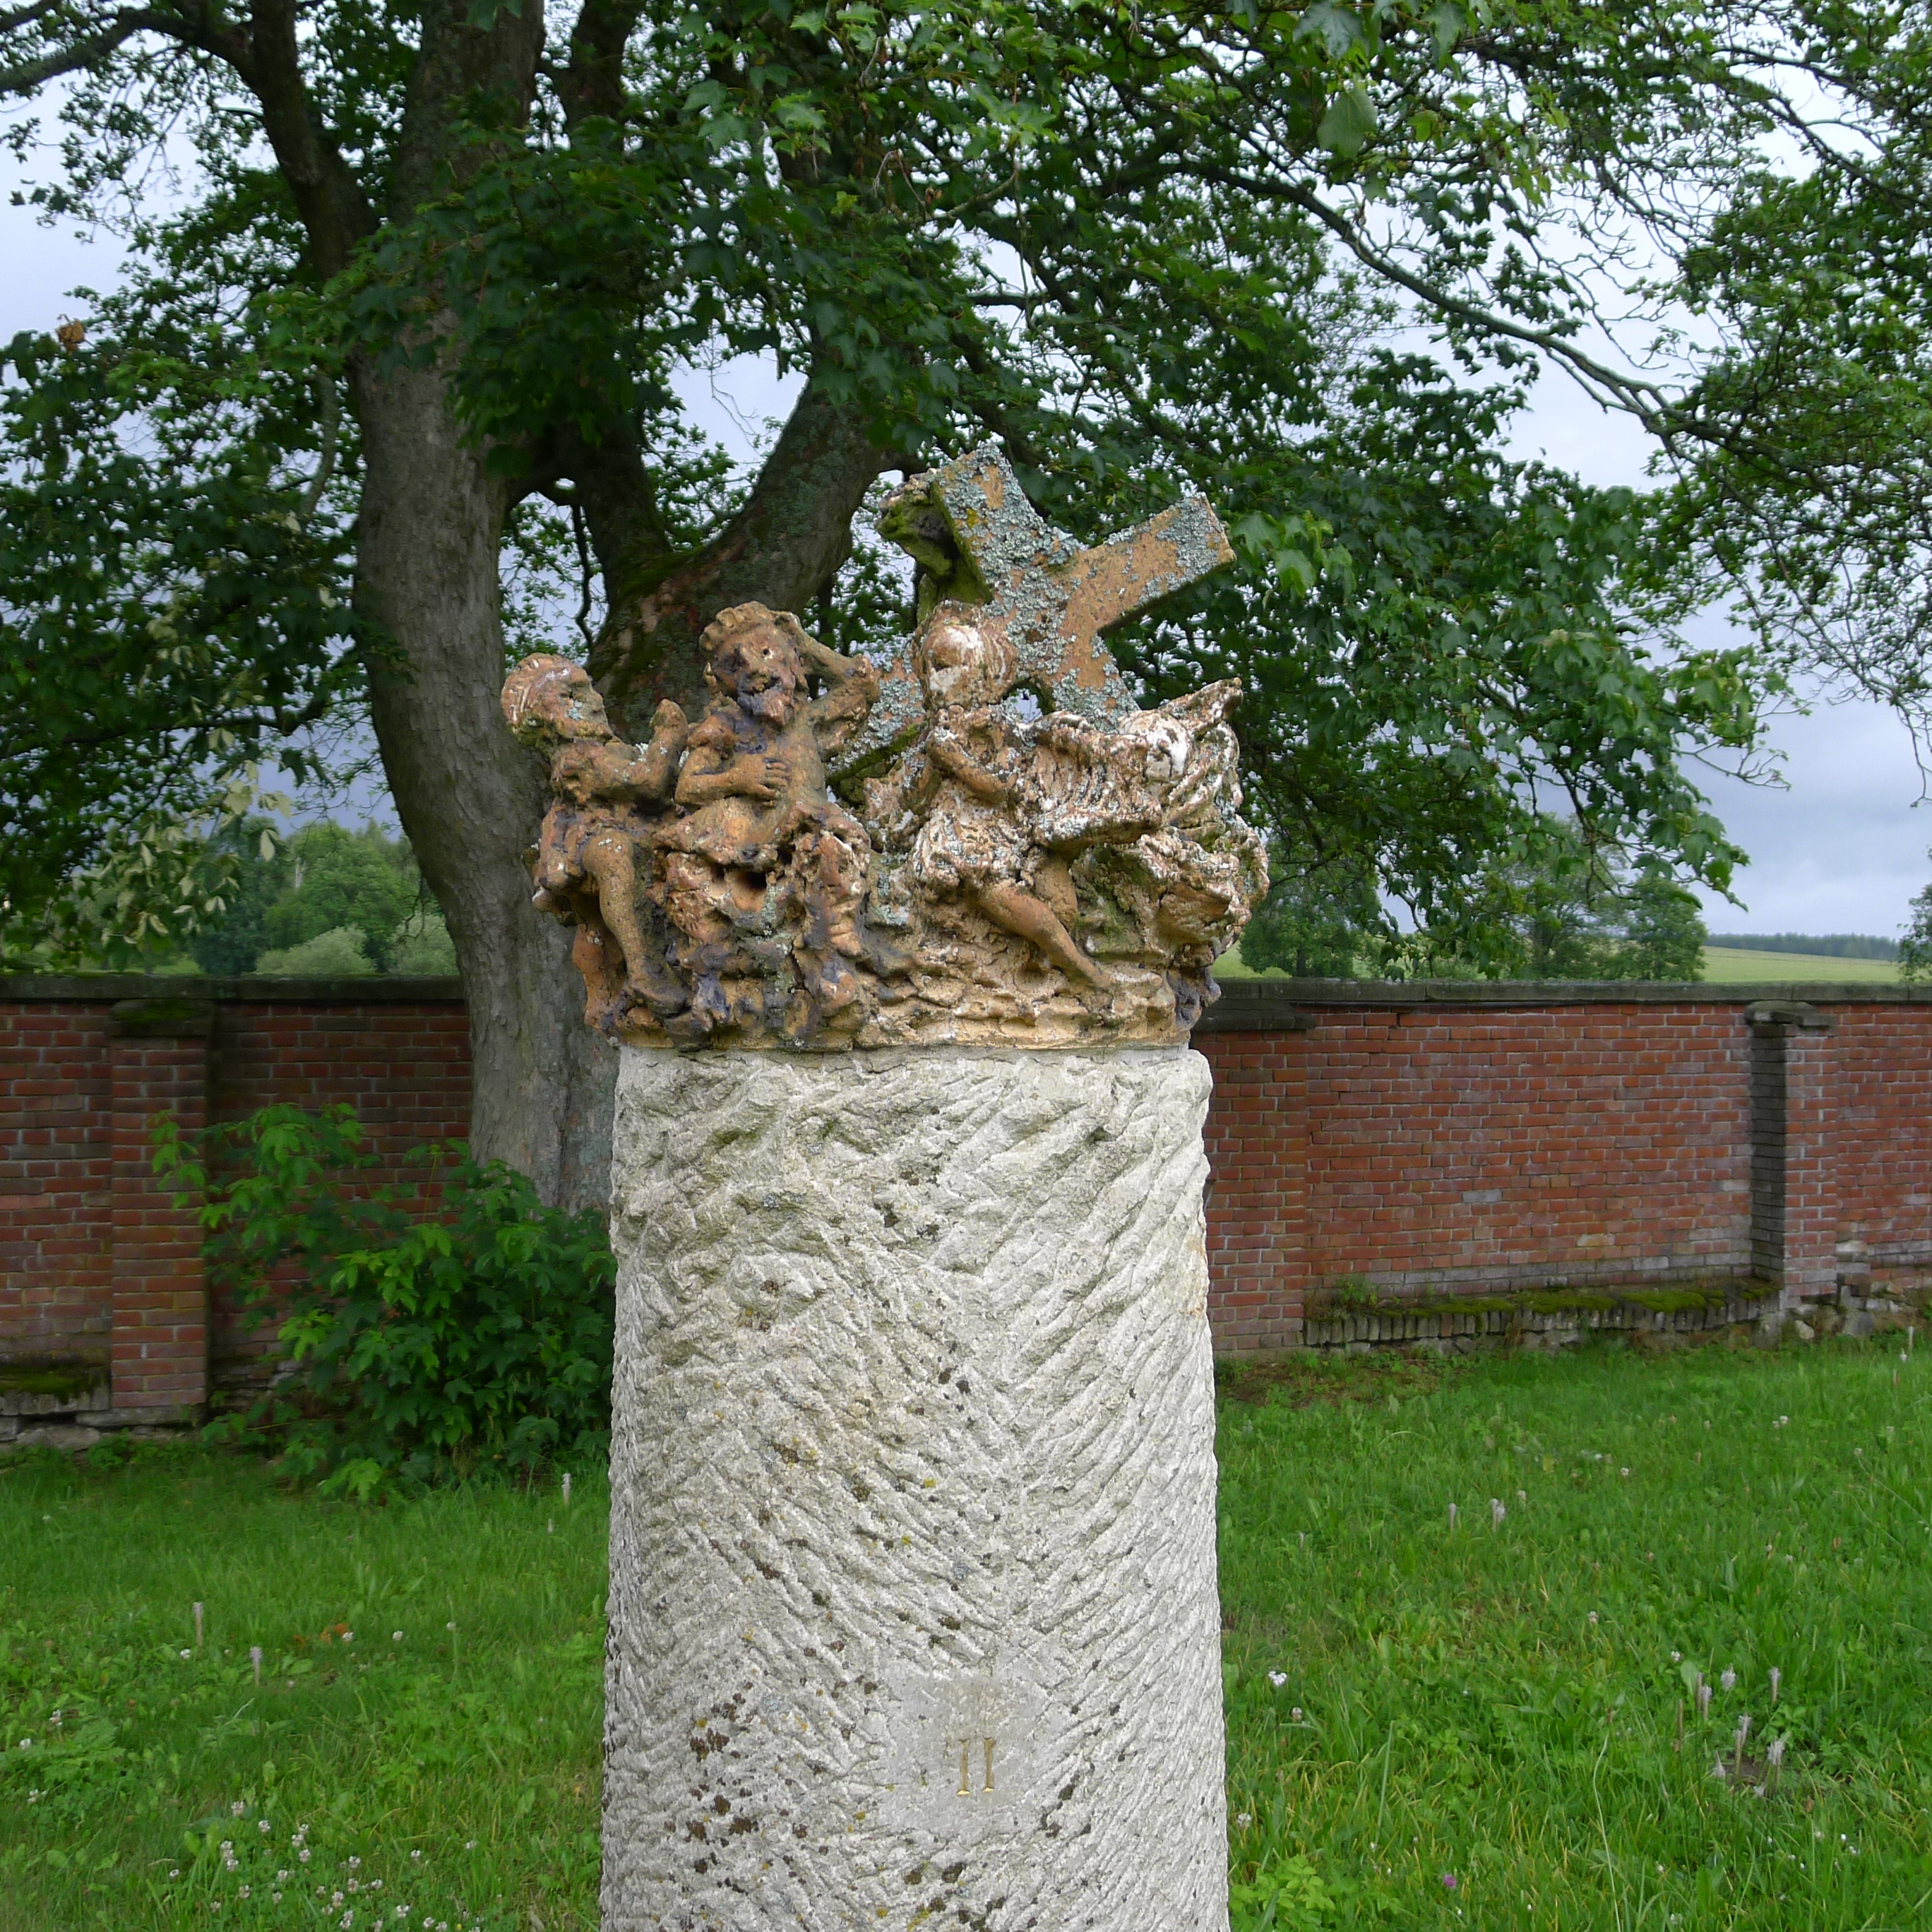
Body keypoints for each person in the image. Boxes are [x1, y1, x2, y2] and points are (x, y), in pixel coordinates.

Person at [659, 603, 884, 1032]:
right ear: (722, 682)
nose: (754, 670)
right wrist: (738, 777)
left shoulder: (807, 721)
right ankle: (711, 981)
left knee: (830, 857)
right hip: (744, 837)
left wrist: (806, 645)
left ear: (791, 654)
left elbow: (862, 684)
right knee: (686, 876)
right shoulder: (726, 724)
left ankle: (827, 966)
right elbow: (687, 788)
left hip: (804, 833)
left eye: (765, 651)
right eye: (734, 665)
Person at [500, 652, 689, 1017]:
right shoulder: (579, 759)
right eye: (573, 695)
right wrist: (670, 736)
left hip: (636, 829)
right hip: (594, 840)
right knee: (613, 855)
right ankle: (644, 968)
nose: (595, 700)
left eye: (589, 689)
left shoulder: (605, 750)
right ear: (549, 720)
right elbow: (649, 783)